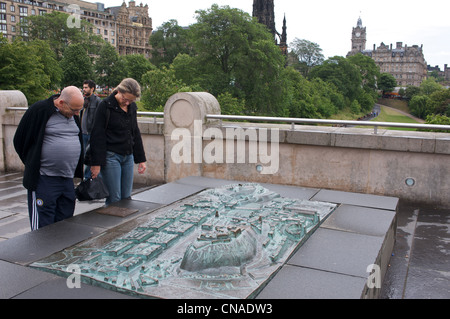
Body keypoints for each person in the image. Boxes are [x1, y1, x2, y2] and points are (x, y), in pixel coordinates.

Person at [13, 87, 85, 231]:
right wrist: (32, 163)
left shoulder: (72, 114)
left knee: (65, 223)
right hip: (44, 179)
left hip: (66, 179)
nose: (77, 114)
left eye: (79, 110)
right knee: (43, 227)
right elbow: (20, 140)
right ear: (61, 102)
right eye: (74, 110)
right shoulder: (39, 110)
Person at [89, 78, 147, 206]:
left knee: (126, 197)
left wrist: (141, 159)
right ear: (118, 91)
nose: (127, 103)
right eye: (125, 99)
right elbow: (97, 135)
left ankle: (125, 225)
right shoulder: (105, 106)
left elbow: (134, 132)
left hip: (128, 156)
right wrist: (96, 163)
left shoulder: (131, 107)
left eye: (131, 100)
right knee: (114, 198)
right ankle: (112, 225)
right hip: (111, 156)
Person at [81, 80, 102, 179]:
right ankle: (86, 178)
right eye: (83, 87)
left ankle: (89, 179)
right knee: (84, 157)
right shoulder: (82, 100)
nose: (84, 89)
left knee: (90, 157)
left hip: (91, 133)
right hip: (82, 133)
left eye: (86, 87)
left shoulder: (97, 101)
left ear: (92, 88)